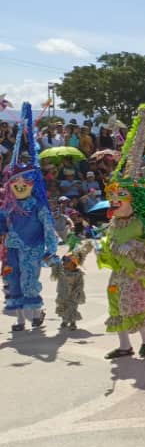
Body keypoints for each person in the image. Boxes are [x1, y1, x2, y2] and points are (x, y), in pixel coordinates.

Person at [97, 105, 145, 359]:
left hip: (135, 273)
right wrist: (105, 246)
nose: (115, 200)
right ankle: (125, 346)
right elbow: (110, 240)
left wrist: (133, 247)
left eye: (120, 195)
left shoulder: (143, 222)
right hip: (118, 270)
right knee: (114, 301)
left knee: (129, 305)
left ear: (134, 199)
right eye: (112, 195)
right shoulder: (117, 221)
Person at [1, 102, 59, 331]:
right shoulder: (10, 205)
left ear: (32, 184)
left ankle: (37, 313)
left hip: (33, 247)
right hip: (12, 247)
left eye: (24, 182)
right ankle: (19, 320)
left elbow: (48, 227)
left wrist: (51, 249)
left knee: (29, 281)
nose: (19, 187)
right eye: (15, 183)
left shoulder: (38, 206)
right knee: (11, 280)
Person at [51, 239, 93, 330]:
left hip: (73, 294)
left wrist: (78, 291)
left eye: (66, 260)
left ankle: (73, 322)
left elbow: (80, 284)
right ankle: (64, 320)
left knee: (72, 307)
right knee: (62, 306)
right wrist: (50, 259)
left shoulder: (78, 274)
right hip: (62, 293)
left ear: (73, 263)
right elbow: (52, 264)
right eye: (63, 260)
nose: (64, 262)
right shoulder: (61, 270)